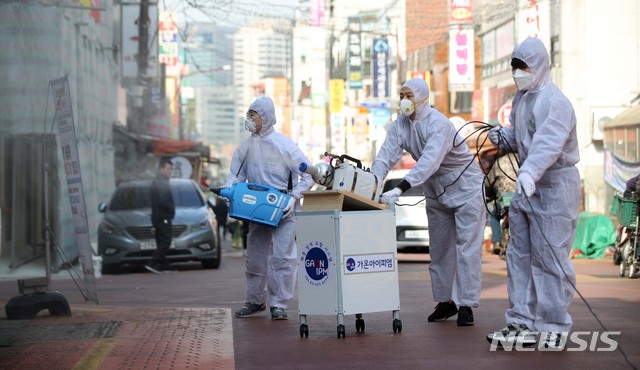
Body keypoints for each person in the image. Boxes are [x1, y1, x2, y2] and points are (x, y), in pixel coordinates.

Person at [485, 38, 580, 350]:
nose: (518, 73)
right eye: (514, 67)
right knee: (519, 257)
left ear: (539, 66)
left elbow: (548, 144)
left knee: (550, 258)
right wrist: (502, 136)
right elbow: (524, 135)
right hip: (528, 186)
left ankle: (554, 326)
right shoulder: (521, 98)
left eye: (523, 67)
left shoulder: (556, 103)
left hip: (553, 186)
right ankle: (521, 323)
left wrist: (529, 172)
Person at [372, 77, 485, 327]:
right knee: (440, 247)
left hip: (464, 184)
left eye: (409, 96)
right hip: (435, 187)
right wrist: (373, 182)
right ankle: (446, 301)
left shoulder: (439, 124)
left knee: (467, 247)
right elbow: (385, 155)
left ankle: (466, 303)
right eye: (401, 95)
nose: (404, 101)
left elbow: (429, 160)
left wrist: (401, 187)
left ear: (422, 98)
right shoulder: (400, 124)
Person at [224, 96, 314, 320]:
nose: (250, 119)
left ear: (266, 117)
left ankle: (279, 304)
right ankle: (255, 300)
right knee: (255, 256)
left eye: (253, 115)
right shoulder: (245, 148)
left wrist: (293, 199)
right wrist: (228, 191)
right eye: (249, 115)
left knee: (282, 258)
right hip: (256, 209)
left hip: (283, 209)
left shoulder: (284, 145)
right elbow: (235, 175)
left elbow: (309, 175)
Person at [484, 151, 519, 255]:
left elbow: (488, 182)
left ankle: (497, 242)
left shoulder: (500, 162)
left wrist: (489, 194)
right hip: (521, 196)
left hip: (505, 196)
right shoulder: (524, 158)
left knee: (494, 215)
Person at [145, 158, 177, 274]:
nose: (170, 171)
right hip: (162, 217)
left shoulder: (160, 181)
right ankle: (153, 262)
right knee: (165, 241)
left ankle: (162, 263)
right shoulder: (160, 182)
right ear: (161, 169)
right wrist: (171, 210)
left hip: (159, 216)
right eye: (168, 168)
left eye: (171, 169)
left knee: (161, 240)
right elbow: (163, 200)